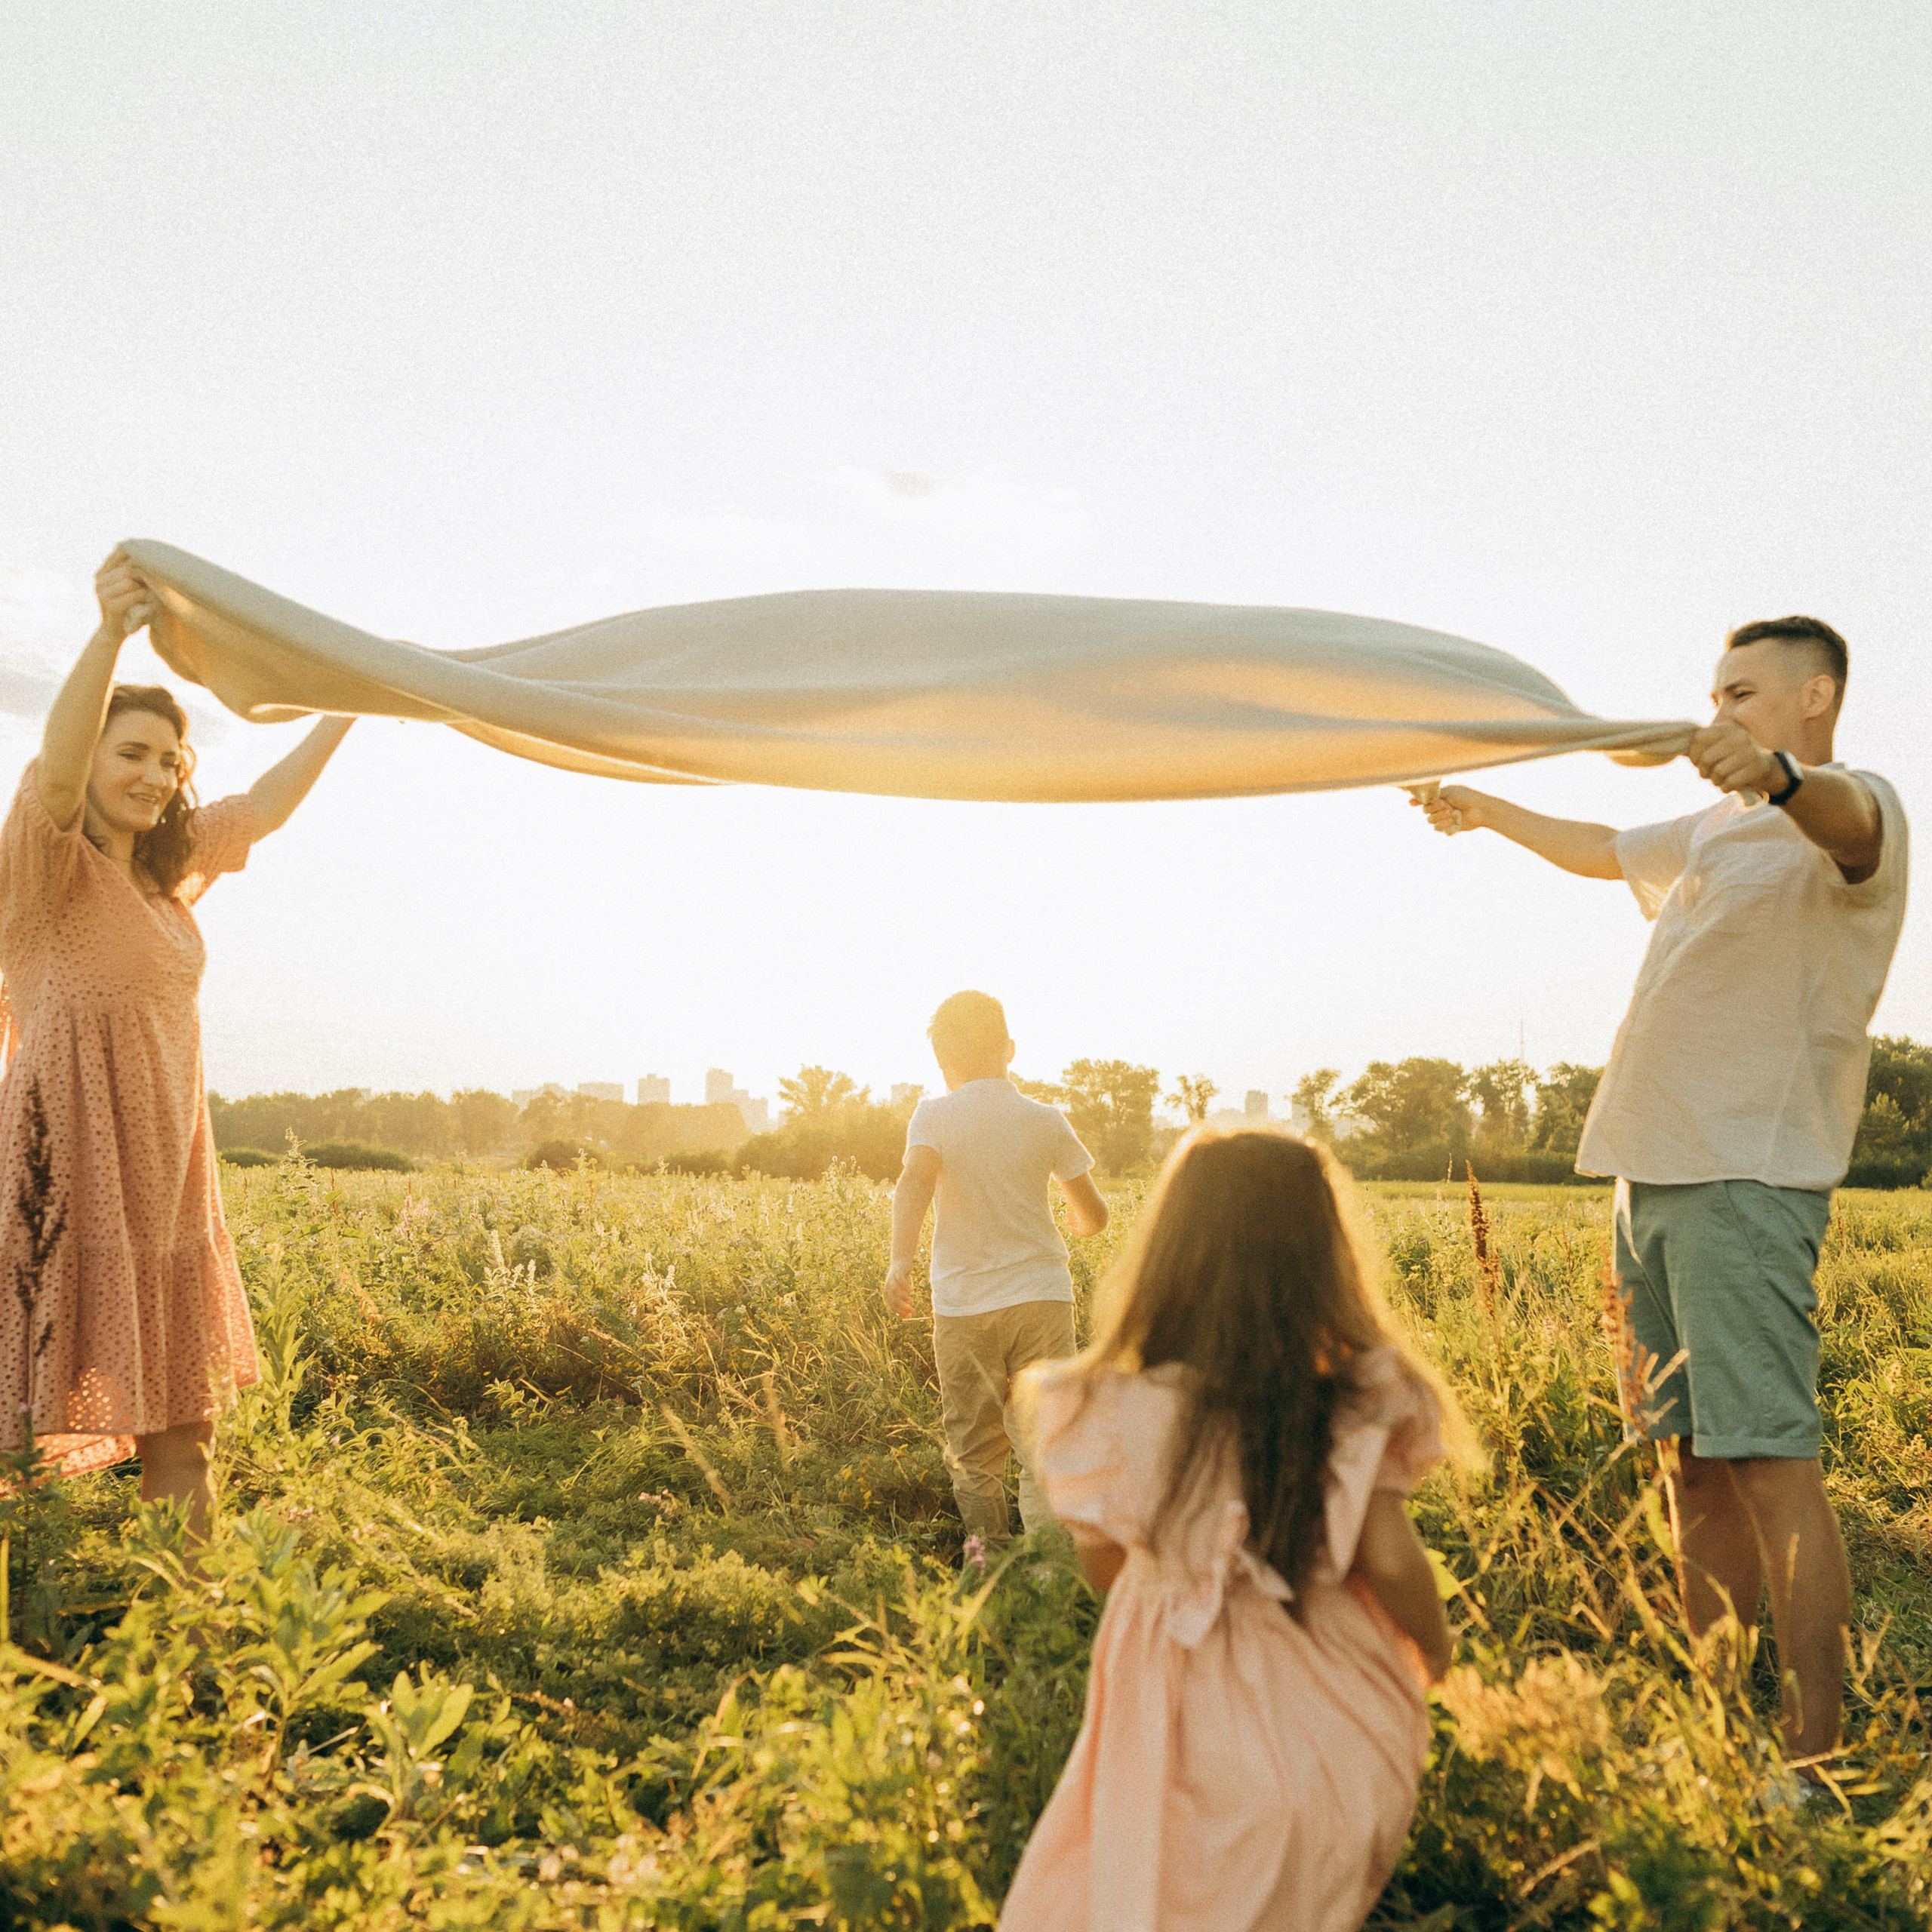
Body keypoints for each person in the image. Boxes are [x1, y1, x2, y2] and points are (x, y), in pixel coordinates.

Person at [1415, 614, 1908, 1770]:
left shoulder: (1842, 804)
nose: (1720, 709)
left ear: (1813, 697)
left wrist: (1783, 775)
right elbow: (1601, 845)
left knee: (1771, 1464)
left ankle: (1810, 1762)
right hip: (1652, 1173)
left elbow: (1848, 823)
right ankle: (1717, 1728)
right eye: (1717, 693)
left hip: (1745, 1175)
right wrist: (1488, 812)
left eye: (1743, 693)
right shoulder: (1716, 827)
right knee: (1687, 1467)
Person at [998, 1128, 1463, 1932]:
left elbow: (1102, 1565)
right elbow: (1388, 1556)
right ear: (1322, 1254)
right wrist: (1439, 1651)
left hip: (1171, 1688)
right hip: (1323, 1689)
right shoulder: (1352, 1396)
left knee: (1157, 1872)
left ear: (1172, 1249)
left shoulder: (1112, 1405)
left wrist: (1177, 1559)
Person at [0, 547, 355, 1537]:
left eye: (172, 762)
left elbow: (268, 807)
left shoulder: (171, 874)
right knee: (16, 1433)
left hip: (163, 1178)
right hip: (62, 1177)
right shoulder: (40, 868)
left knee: (184, 1433)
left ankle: (189, 1644)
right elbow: (57, 766)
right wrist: (110, 634)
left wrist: (360, 703)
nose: (156, 775)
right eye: (135, 754)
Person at [883, 990, 1109, 1550]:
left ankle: (991, 1559)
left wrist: (900, 1262)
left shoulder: (934, 1115)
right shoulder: (1046, 1119)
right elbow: (1096, 1214)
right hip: (1042, 1297)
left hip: (964, 1306)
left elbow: (913, 1184)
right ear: (1009, 1048)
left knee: (973, 1444)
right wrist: (1078, 1226)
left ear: (943, 1062)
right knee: (1044, 1437)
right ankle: (1050, 1570)